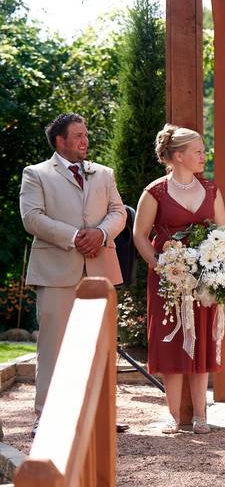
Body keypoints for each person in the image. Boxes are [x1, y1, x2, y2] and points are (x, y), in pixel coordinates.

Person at [19, 113, 127, 437]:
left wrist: (101, 234)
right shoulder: (36, 174)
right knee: (52, 349)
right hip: (55, 271)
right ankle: (46, 419)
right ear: (60, 141)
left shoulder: (104, 174)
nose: (85, 141)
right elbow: (32, 218)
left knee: (102, 346)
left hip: (100, 271)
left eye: (86, 134)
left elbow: (119, 212)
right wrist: (75, 236)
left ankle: (101, 416)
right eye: (78, 135)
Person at [132, 124, 225, 434]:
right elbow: (140, 235)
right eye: (198, 151)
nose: (204, 156)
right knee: (170, 341)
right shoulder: (155, 191)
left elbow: (223, 235)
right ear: (179, 156)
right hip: (167, 281)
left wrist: (219, 273)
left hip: (203, 280)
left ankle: (202, 415)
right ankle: (174, 415)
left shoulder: (211, 190)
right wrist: (160, 265)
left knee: (200, 340)